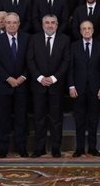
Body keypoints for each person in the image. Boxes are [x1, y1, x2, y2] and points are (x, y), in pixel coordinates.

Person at [27, 14, 70, 158]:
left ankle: (56, 148)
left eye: (53, 23)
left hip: (56, 86)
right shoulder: (34, 38)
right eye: (47, 23)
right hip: (38, 85)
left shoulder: (64, 39)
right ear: (42, 24)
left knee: (56, 118)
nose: (50, 25)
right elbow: (30, 60)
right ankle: (39, 148)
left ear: (57, 25)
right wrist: (40, 78)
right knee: (39, 118)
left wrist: (53, 78)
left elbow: (66, 61)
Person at [0, 12, 30, 158]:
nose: (11, 25)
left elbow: (30, 60)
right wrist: (8, 78)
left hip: (22, 84)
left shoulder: (27, 38)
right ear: (4, 24)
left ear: (19, 24)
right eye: (9, 22)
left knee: (21, 118)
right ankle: (3, 148)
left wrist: (22, 77)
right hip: (3, 85)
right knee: (2, 118)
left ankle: (21, 147)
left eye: (14, 22)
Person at [68, 21, 100, 157]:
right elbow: (70, 68)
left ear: (93, 30)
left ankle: (92, 147)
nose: (86, 31)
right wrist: (71, 86)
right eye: (84, 28)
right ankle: (79, 148)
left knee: (93, 119)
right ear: (80, 31)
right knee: (79, 119)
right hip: (78, 89)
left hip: (96, 89)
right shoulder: (74, 46)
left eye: (89, 28)